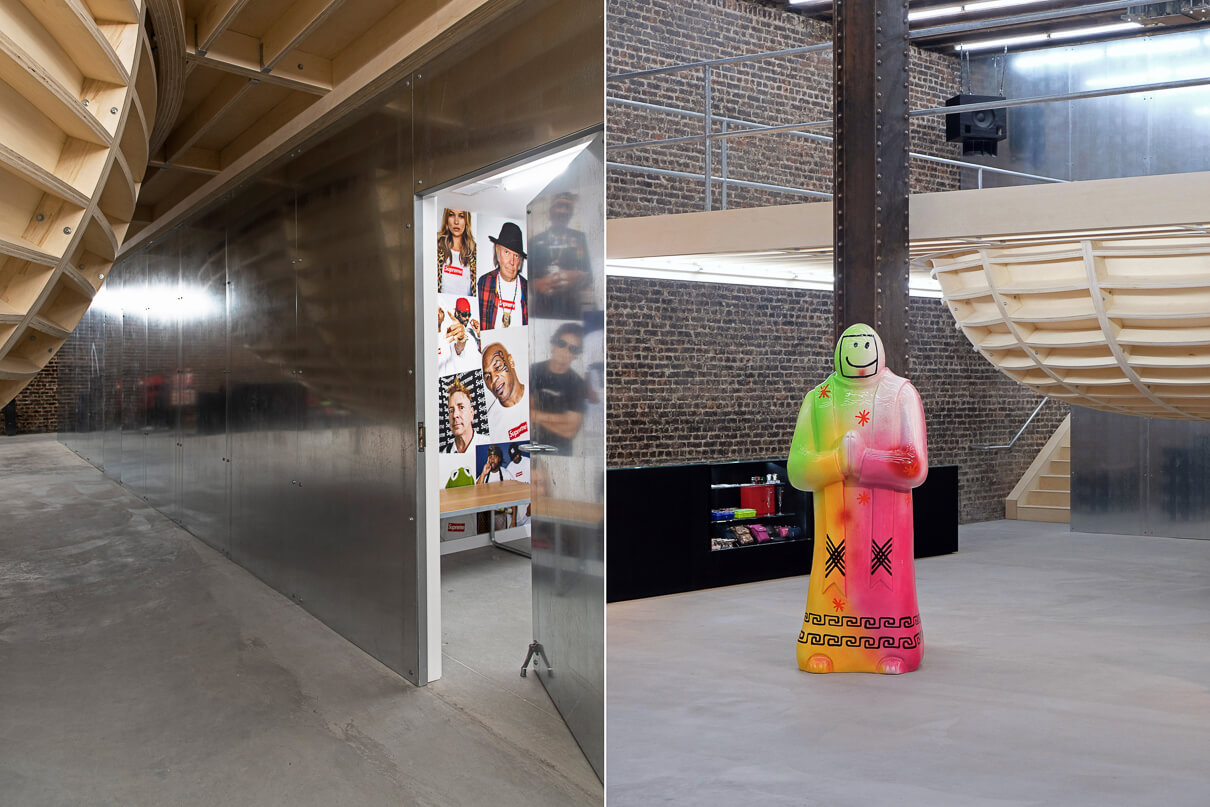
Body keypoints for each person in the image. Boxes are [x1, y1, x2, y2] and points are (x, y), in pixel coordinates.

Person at [787, 324, 929, 676]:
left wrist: (863, 461)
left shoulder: (901, 395)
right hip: (836, 522)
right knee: (833, 579)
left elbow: (915, 466)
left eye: (867, 342)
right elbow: (798, 468)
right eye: (853, 342)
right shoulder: (818, 398)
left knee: (887, 579)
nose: (860, 349)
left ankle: (893, 648)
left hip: (888, 523)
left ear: (879, 348)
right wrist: (836, 461)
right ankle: (825, 646)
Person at [528, 192, 592, 319]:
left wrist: (576, 276)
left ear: (571, 213)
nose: (563, 211)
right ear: (550, 212)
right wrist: (538, 284)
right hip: (542, 308)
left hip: (570, 307)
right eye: (559, 206)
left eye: (568, 207)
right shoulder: (535, 241)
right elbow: (526, 279)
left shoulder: (579, 238)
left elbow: (589, 275)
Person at [531, 323, 588, 454]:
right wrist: (563, 419)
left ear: (576, 355)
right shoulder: (534, 371)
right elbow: (527, 411)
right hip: (531, 444)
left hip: (560, 451)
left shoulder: (578, 384)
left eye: (572, 348)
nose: (565, 351)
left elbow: (570, 432)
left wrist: (536, 416)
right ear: (553, 344)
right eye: (562, 343)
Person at [477, 222, 528, 330]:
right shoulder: (484, 283)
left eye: (516, 256)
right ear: (497, 250)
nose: (512, 261)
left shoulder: (528, 290)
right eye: (506, 252)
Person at [481, 341, 529, 442]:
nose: (493, 379)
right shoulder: (489, 428)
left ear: (511, 361)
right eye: (487, 376)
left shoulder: (540, 398)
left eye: (497, 367)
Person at [436, 297, 481, 375]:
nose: (467, 318)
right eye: (464, 314)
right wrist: (462, 338)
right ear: (456, 312)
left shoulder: (471, 331)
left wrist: (479, 334)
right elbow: (458, 349)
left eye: (468, 315)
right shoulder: (451, 330)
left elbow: (480, 350)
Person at [437, 209, 477, 295]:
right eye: (451, 215)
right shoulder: (436, 246)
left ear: (467, 219)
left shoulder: (474, 251)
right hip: (438, 307)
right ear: (446, 218)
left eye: (461, 216)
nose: (456, 221)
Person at [441, 376, 478, 454]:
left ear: (471, 413)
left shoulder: (487, 444)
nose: (455, 415)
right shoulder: (444, 454)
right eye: (451, 410)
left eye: (461, 407)